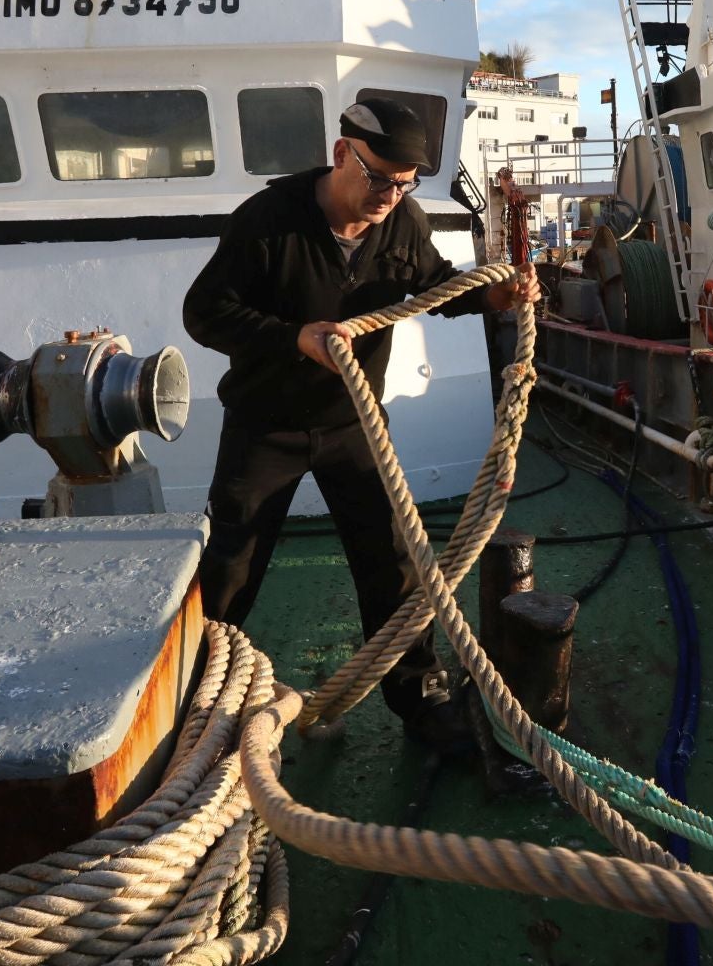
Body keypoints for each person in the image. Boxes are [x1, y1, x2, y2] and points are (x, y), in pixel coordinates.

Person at [182, 97, 539, 747]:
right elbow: (204, 313)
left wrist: (495, 295)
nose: (390, 195)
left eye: (405, 184)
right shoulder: (268, 222)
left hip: (353, 422)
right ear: (343, 152)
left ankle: (420, 698)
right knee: (232, 566)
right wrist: (297, 338)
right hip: (266, 424)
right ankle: (200, 701)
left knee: (393, 563)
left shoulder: (401, 224)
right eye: (379, 178)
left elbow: (436, 288)